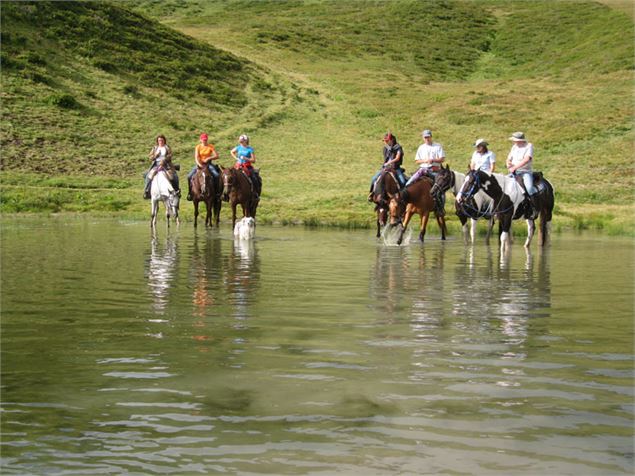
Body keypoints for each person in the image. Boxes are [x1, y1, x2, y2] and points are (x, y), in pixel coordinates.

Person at [368, 132, 407, 201]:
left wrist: (390, 162)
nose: (385, 142)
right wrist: (386, 164)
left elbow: (397, 158)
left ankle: (403, 196)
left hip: (395, 168)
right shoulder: (385, 148)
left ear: (391, 140)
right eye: (385, 141)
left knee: (403, 181)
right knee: (374, 178)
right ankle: (372, 193)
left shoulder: (398, 148)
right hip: (386, 167)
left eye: (387, 140)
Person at [506, 131, 537, 212]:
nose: (514, 141)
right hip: (513, 172)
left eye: (515, 140)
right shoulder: (514, 147)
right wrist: (508, 163)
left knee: (529, 188)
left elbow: (527, 159)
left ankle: (534, 206)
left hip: (525, 171)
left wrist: (515, 167)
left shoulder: (528, 146)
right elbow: (509, 158)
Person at [187, 133, 220, 201]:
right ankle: (190, 193)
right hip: (200, 164)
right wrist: (199, 164)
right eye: (203, 140)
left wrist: (209, 158)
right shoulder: (198, 147)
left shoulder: (210, 146)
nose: (204, 141)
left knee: (216, 175)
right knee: (189, 176)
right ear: (200, 140)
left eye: (205, 140)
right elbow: (196, 157)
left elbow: (216, 156)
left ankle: (217, 192)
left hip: (208, 164)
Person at [144, 134, 179, 199]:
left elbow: (170, 155)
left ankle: (176, 190)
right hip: (156, 164)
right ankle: (146, 191)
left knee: (174, 176)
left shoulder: (167, 147)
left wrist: (164, 161)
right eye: (159, 140)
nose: (160, 141)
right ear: (157, 141)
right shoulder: (155, 148)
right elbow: (150, 157)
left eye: (162, 140)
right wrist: (156, 155)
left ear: (164, 141)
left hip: (166, 165)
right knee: (149, 175)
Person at [231, 134, 261, 199]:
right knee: (229, 176)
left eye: (242, 141)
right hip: (238, 165)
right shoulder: (238, 147)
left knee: (254, 178)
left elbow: (253, 160)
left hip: (247, 166)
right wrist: (236, 158)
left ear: (246, 141)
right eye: (240, 141)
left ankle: (255, 193)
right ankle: (227, 194)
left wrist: (246, 158)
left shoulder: (250, 149)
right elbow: (232, 152)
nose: (240, 142)